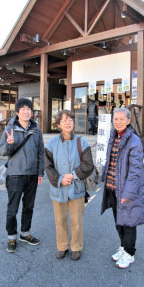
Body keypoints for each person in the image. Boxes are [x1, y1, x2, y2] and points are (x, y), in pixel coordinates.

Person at [101, 108, 144, 269]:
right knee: (119, 221)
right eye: (115, 119)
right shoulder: (113, 136)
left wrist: (128, 193)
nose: (118, 122)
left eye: (122, 119)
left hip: (126, 190)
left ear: (129, 121)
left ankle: (130, 253)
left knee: (128, 222)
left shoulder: (134, 141)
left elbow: (135, 170)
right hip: (112, 187)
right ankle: (123, 247)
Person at [45, 110, 94, 261]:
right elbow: (48, 166)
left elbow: (88, 164)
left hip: (77, 186)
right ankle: (62, 245)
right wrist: (60, 179)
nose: (68, 122)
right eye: (64, 120)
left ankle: (76, 247)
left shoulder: (81, 142)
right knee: (59, 220)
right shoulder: (52, 144)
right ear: (58, 124)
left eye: (70, 120)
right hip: (58, 188)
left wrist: (73, 175)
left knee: (76, 220)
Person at [0, 98, 44, 253]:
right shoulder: (10, 128)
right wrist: (9, 143)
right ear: (17, 112)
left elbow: (40, 152)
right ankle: (12, 237)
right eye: (23, 109)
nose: (26, 111)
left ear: (31, 112)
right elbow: (1, 151)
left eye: (29, 109)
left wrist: (40, 172)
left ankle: (25, 233)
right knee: (13, 208)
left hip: (32, 174)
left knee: (29, 206)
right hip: (15, 174)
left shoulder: (36, 130)